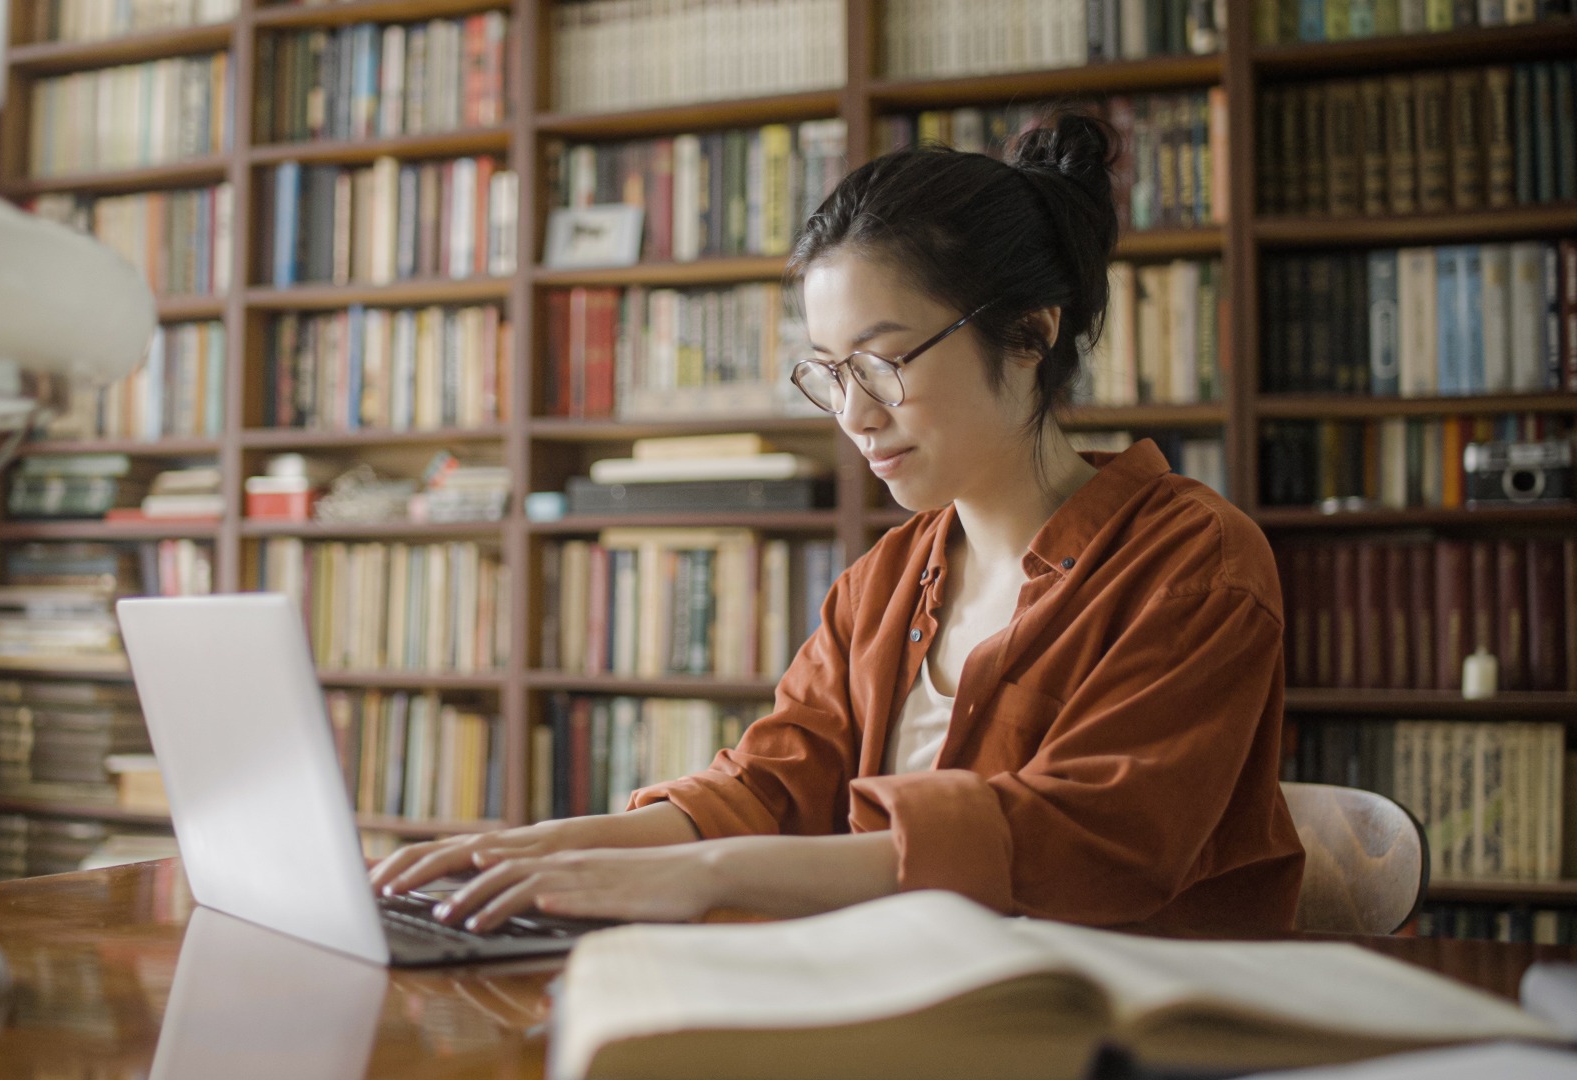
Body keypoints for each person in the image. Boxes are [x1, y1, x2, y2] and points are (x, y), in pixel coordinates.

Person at [370, 113, 1305, 936]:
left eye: (883, 363)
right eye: (827, 372)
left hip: (1120, 1028)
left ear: (1028, 334)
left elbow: (1084, 844)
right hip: (905, 1005)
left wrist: (700, 878)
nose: (853, 416)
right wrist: (527, 851)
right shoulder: (885, 584)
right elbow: (769, 786)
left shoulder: (1195, 565)